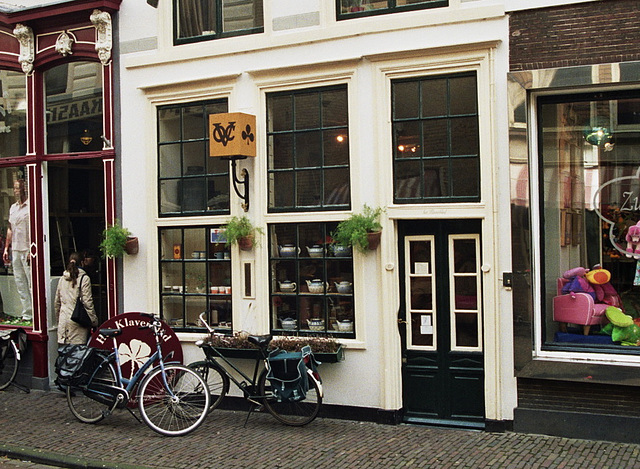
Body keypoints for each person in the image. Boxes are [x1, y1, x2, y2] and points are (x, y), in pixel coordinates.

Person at [2, 179, 31, 321]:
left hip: (27, 249)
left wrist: (33, 248)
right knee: (20, 282)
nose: (16, 191)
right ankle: (27, 313)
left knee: (31, 282)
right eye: (14, 188)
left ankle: (36, 313)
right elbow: (10, 228)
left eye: (18, 188)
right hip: (16, 249)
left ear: (24, 189)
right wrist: (6, 248)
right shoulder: (13, 208)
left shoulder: (31, 206)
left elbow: (36, 227)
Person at [55, 251, 98, 345]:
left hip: (63, 321)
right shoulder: (84, 278)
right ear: (82, 262)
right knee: (77, 356)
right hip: (77, 321)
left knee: (64, 356)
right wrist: (94, 321)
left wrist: (59, 320)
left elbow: (57, 302)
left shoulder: (62, 278)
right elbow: (87, 302)